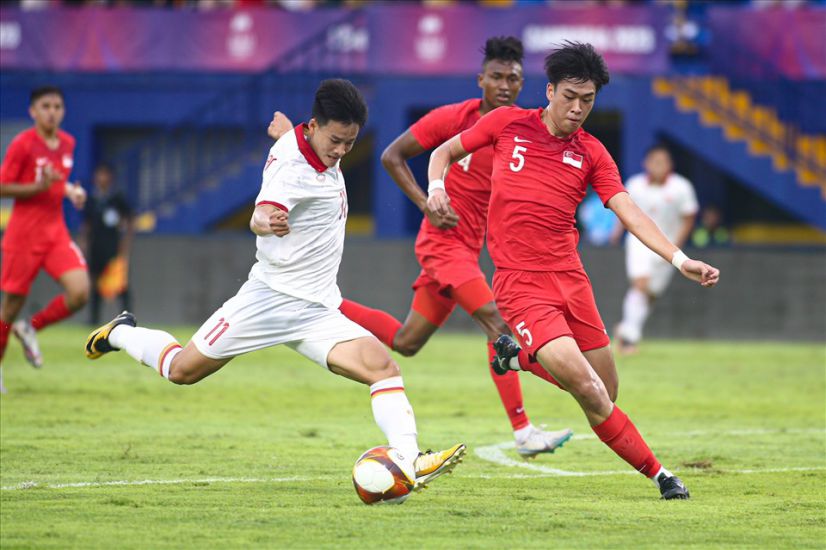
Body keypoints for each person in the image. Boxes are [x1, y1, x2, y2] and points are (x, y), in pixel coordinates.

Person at [84, 79, 465, 489]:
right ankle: (121, 333)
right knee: (182, 371)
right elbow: (262, 212)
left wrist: (286, 133)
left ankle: (408, 459)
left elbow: (297, 145)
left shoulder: (306, 142)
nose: (340, 151)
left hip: (318, 308)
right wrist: (266, 221)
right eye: (335, 140)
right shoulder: (290, 168)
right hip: (270, 299)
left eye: (350, 144)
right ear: (315, 125)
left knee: (383, 368)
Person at [427, 42, 720, 499]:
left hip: (571, 279)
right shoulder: (507, 123)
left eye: (588, 100)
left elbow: (628, 210)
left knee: (607, 390)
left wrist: (680, 259)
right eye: (570, 96)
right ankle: (662, 476)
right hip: (520, 283)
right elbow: (442, 152)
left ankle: (516, 357)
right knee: (587, 387)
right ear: (549, 91)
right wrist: (435, 188)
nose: (578, 108)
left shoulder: (593, 153)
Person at [331, 36, 572, 458]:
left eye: (513, 78)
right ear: (481, 79)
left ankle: (322, 303)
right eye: (496, 76)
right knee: (500, 325)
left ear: (522, 83)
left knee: (407, 341)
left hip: (470, 249)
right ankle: (524, 432)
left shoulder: (521, 132)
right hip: (444, 247)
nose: (504, 84)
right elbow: (392, 156)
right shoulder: (453, 119)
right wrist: (427, 202)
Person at [0, 86, 89, 393]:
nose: (52, 111)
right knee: (10, 307)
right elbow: (3, 187)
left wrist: (71, 192)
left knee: (80, 292)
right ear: (33, 111)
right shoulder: (23, 144)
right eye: (46, 106)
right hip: (23, 234)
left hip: (55, 232)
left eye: (57, 106)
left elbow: (58, 181)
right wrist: (38, 187)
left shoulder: (67, 143)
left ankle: (30, 327)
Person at [614, 145, 698, 355]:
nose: (658, 165)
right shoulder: (634, 184)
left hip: (667, 247)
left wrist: (676, 248)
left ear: (670, 165)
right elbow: (624, 211)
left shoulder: (681, 187)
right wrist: (616, 233)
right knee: (640, 284)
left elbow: (688, 218)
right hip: (638, 242)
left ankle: (626, 327)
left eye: (663, 161)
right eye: (654, 161)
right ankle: (629, 340)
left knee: (651, 293)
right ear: (646, 163)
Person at [80, 163, 135, 326]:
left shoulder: (117, 199)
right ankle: (93, 319)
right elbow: (86, 224)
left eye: (105, 174)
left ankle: (127, 318)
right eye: (99, 174)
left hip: (113, 248)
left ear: (110, 178)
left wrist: (125, 244)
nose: (102, 178)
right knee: (95, 284)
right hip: (96, 248)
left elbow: (130, 219)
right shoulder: (92, 200)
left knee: (120, 285)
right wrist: (84, 244)